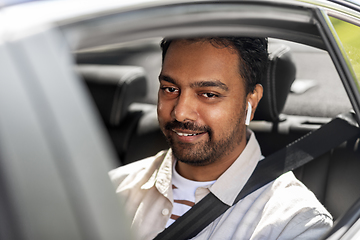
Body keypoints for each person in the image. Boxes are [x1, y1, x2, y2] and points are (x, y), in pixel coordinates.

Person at [109, 37, 333, 240]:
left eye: (209, 94)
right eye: (169, 89)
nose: (180, 112)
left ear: (251, 102)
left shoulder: (295, 224)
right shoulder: (112, 190)